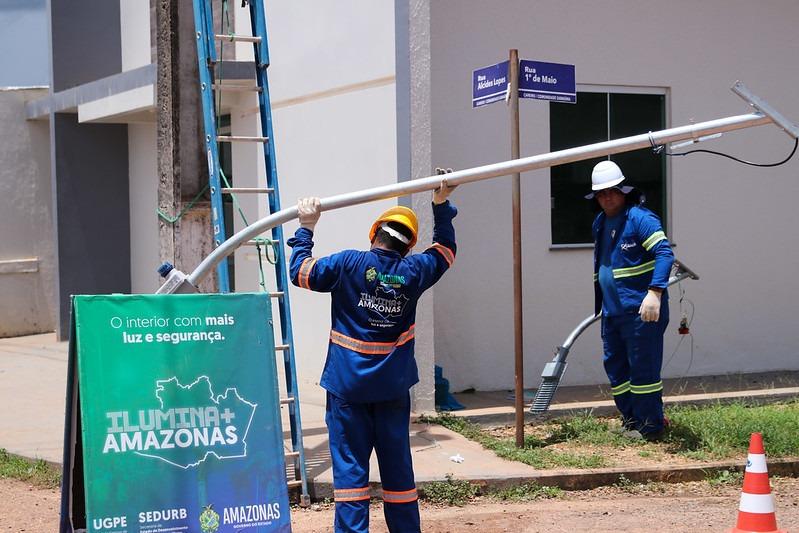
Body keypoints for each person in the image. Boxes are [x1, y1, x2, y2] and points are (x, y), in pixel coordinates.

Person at [288, 181, 457, 533]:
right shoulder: (413, 272)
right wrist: (441, 205)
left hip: (347, 389)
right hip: (391, 390)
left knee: (351, 474)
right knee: (398, 474)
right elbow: (445, 251)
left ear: (375, 233)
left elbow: (300, 272)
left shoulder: (349, 263)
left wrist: (306, 226)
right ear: (408, 246)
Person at [586, 160, 674, 441]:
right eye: (601, 193)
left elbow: (664, 254)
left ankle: (650, 427)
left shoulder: (640, 219)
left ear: (623, 191)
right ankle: (631, 420)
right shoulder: (600, 222)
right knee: (616, 369)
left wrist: (655, 292)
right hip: (612, 312)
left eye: (611, 191)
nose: (607, 198)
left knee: (643, 370)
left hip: (641, 311)